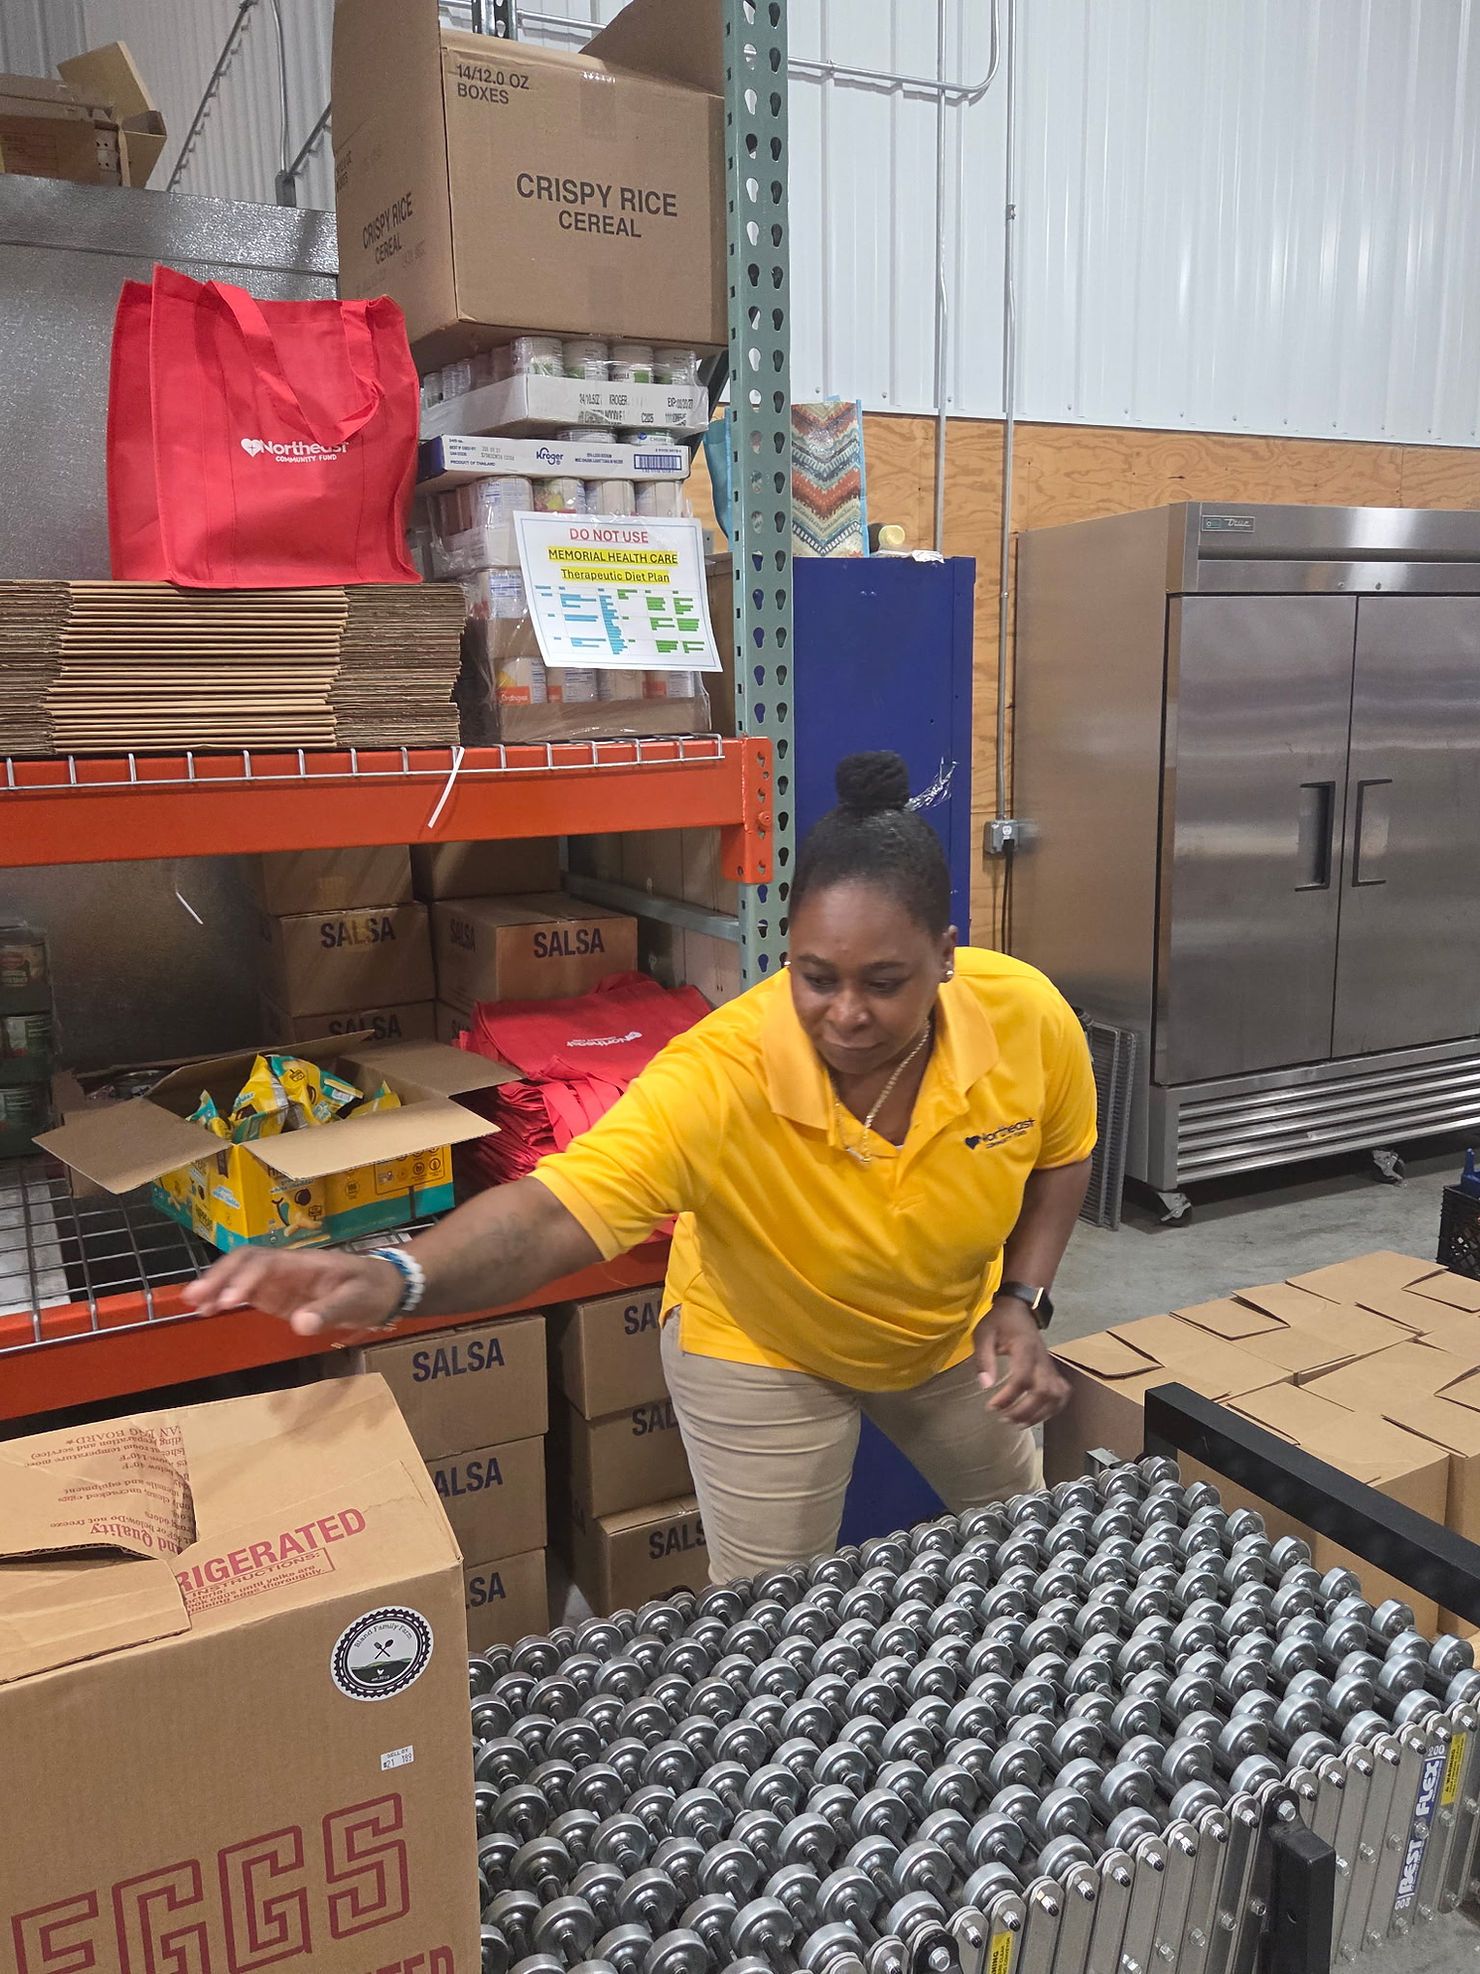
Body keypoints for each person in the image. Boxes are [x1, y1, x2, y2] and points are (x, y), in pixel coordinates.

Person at [185, 752, 1096, 1582]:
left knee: (1028, 1552)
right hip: (764, 1352)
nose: (845, 1014)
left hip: (948, 1338)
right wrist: (396, 1277)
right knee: (777, 1619)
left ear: (945, 957)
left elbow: (1063, 1156)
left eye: (884, 982)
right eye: (817, 977)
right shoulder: (718, 1078)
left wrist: (1023, 1299)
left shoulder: (1025, 1018)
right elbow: (550, 1215)